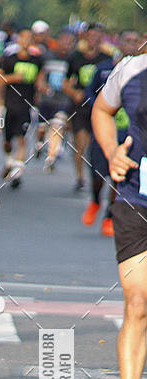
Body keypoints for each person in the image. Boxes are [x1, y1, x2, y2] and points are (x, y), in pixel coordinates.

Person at [92, 51, 147, 379]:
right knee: (138, 300)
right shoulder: (131, 69)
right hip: (135, 199)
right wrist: (112, 152)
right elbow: (101, 110)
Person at [82, 31, 141, 236]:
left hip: (130, 133)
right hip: (107, 131)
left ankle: (109, 214)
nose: (132, 45)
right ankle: (96, 200)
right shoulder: (105, 69)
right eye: (128, 41)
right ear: (119, 43)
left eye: (136, 41)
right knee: (99, 174)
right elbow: (91, 95)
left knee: (120, 175)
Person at [63, 23, 110, 191]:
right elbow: (65, 83)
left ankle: (97, 176)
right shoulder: (75, 57)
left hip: (100, 106)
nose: (93, 39)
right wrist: (74, 93)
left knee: (95, 143)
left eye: (97, 36)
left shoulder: (106, 59)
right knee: (81, 141)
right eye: (91, 36)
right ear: (85, 37)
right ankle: (80, 177)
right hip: (80, 106)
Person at [0, 29, 43, 188]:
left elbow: (40, 80)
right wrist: (13, 78)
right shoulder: (9, 59)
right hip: (9, 105)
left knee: (22, 138)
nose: (26, 41)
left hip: (26, 106)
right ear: (18, 40)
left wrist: (42, 88)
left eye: (29, 39)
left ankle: (17, 173)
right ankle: (10, 162)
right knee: (7, 142)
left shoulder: (36, 61)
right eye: (23, 38)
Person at [35, 29, 75, 170]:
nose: (66, 45)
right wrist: (42, 87)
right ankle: (39, 143)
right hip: (46, 99)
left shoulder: (72, 60)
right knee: (41, 128)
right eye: (64, 41)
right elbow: (40, 75)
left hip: (62, 101)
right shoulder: (47, 57)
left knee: (57, 127)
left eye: (70, 43)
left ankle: (51, 157)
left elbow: (74, 79)